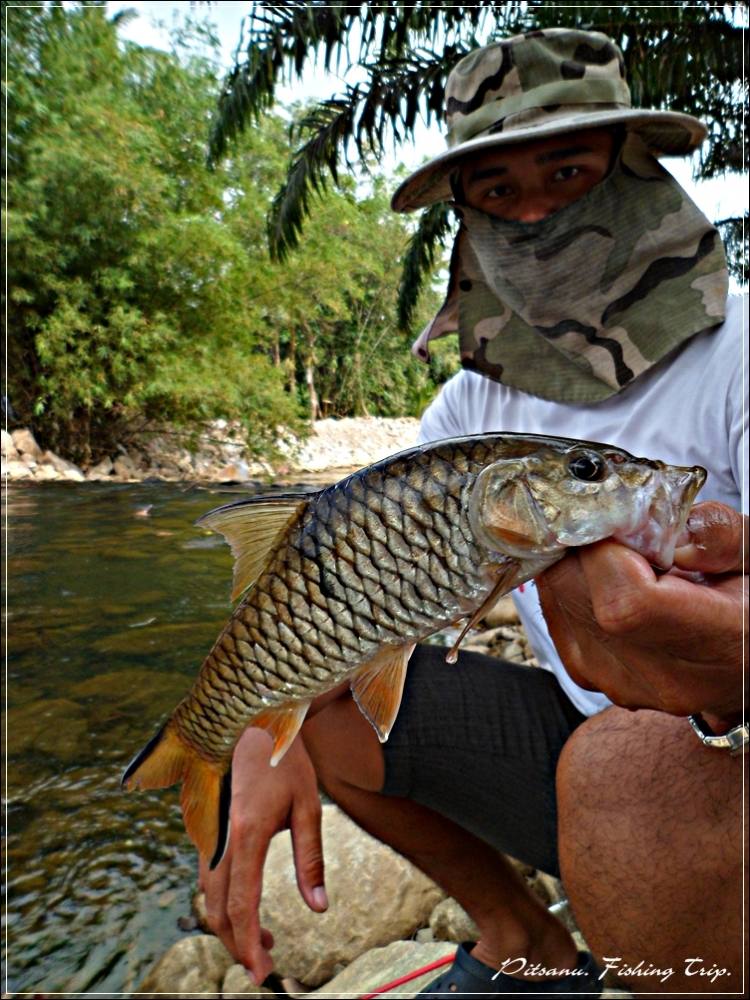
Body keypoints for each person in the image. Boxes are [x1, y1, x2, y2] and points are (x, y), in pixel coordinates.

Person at [199, 28, 747, 995]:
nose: (535, 214)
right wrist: (255, 730)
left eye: (568, 172)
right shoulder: (471, 408)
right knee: (335, 721)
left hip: (719, 765)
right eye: (497, 193)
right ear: (470, 216)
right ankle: (523, 942)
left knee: (620, 768)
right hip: (571, 740)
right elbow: (347, 564)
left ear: (634, 170)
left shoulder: (740, 350)